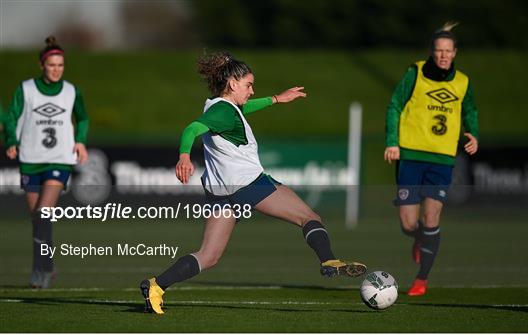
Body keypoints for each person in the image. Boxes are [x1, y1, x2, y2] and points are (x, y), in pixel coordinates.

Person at [140, 52, 366, 314]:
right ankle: (329, 260)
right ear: (232, 84)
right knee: (309, 217)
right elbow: (192, 129)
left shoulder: (220, 107)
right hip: (248, 184)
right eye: (248, 85)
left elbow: (242, 108)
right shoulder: (223, 113)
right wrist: (183, 156)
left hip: (220, 193)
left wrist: (276, 99)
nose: (251, 90)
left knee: (209, 255)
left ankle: (157, 285)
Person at [384, 22, 479, 296]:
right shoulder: (415, 73)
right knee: (408, 224)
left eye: (448, 51)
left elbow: (469, 108)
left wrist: (472, 133)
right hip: (411, 157)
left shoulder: (462, 82)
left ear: (455, 52)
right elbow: (395, 105)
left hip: (442, 159)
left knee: (432, 217)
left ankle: (422, 278)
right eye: (439, 50)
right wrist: (392, 142)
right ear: (432, 51)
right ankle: (420, 239)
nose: (443, 55)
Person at [4, 36, 89, 288]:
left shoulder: (72, 91)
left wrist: (81, 141)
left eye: (60, 65)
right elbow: (11, 117)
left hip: (60, 160)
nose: (56, 70)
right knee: (38, 221)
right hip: (30, 159)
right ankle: (46, 266)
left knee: (43, 214)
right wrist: (11, 140)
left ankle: (42, 272)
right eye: (52, 65)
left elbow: (82, 118)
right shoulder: (26, 89)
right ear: (42, 65)